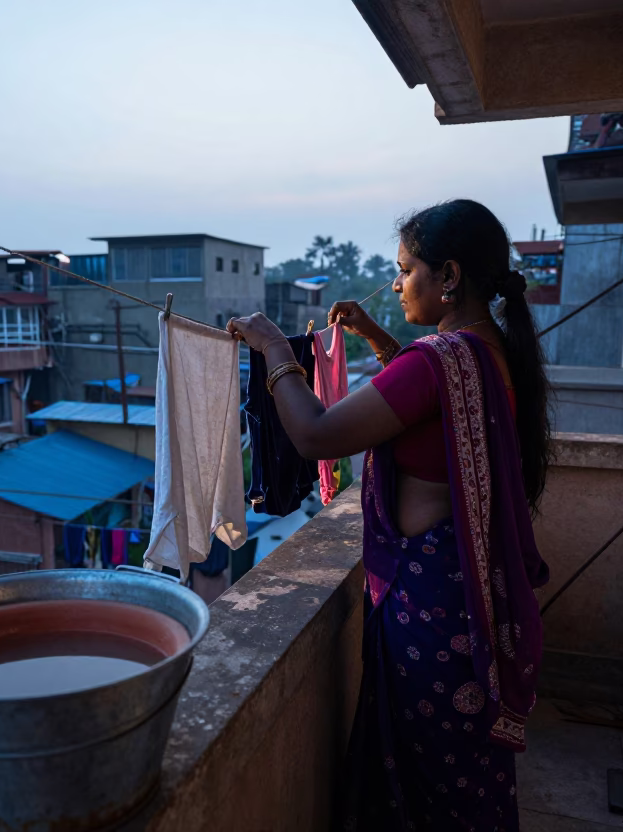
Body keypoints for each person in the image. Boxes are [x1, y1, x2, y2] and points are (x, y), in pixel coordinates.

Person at [227, 199, 551, 831]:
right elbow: (425, 410)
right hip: (466, 595)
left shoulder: (440, 363)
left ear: (449, 276)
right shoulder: (491, 353)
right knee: (460, 769)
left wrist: (273, 349)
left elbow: (317, 435)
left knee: (429, 774)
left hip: (428, 606)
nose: (399, 283)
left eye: (406, 270)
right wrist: (379, 338)